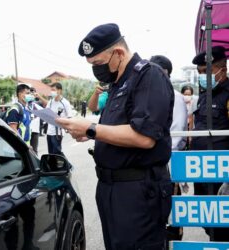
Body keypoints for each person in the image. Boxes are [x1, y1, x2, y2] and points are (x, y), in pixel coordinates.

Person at [56, 23, 174, 250]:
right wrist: (90, 134)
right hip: (111, 188)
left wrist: (91, 129)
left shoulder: (148, 76)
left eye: (98, 63)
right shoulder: (117, 83)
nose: (96, 70)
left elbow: (144, 137)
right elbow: (117, 130)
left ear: (118, 53)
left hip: (138, 191)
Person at [191, 45, 229, 241]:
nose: (203, 76)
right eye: (200, 73)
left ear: (223, 69)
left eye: (207, 71)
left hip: (222, 175)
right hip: (202, 172)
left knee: (224, 228)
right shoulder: (204, 96)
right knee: (209, 222)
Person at [150, 55, 188, 243]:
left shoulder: (177, 97)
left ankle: (174, 237)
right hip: (152, 164)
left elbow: (178, 131)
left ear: (165, 73)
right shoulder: (149, 95)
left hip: (170, 160)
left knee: (173, 209)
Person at [37, 82, 72, 155]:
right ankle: (53, 166)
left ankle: (66, 165)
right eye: (51, 90)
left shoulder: (65, 103)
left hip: (58, 132)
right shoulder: (51, 101)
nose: (52, 92)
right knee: (51, 153)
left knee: (57, 152)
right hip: (49, 132)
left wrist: (68, 128)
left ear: (60, 91)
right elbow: (46, 111)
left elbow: (69, 117)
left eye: (54, 90)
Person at [28, 87, 42, 155]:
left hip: (35, 131)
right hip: (27, 131)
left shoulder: (38, 104)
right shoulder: (24, 105)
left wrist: (39, 96)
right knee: (27, 150)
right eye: (30, 93)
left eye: (33, 93)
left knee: (34, 151)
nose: (31, 95)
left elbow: (47, 106)